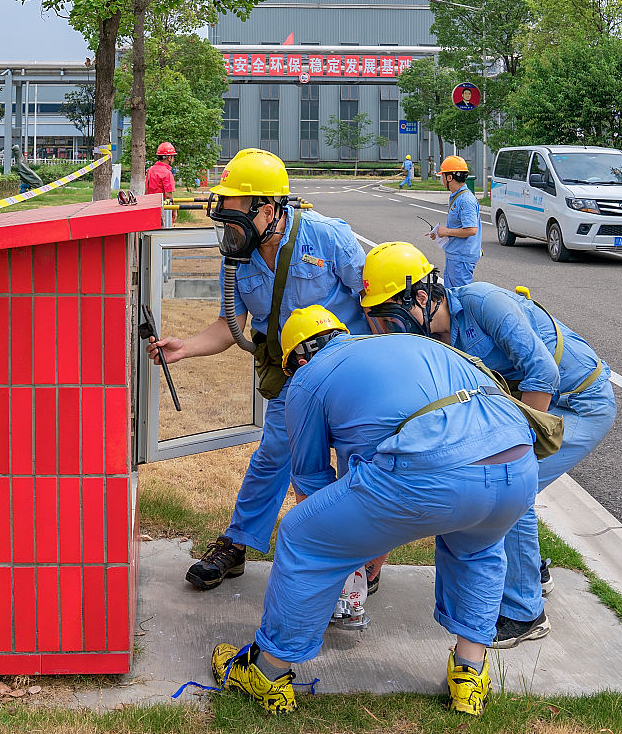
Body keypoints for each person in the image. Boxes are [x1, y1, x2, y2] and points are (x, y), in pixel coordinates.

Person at [210, 305, 538, 717]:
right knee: (477, 550)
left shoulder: (309, 378)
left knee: (302, 534)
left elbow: (313, 485)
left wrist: (344, 564)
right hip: (517, 466)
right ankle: (470, 676)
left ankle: (267, 672)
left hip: (434, 471)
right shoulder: (402, 345)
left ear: (298, 358)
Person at [359, 241, 617, 649]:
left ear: (422, 298)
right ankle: (532, 572)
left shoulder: (483, 302)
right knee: (496, 481)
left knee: (510, 489)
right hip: (541, 403)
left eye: (391, 321)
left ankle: (523, 613)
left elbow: (541, 372)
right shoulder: (438, 343)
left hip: (580, 403)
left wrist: (511, 449)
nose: (391, 333)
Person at [146, 148, 370, 591]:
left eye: (234, 213)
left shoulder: (329, 238)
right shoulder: (241, 255)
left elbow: (376, 303)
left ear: (268, 210)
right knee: (273, 457)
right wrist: (183, 348)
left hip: (349, 375)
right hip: (293, 378)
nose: (228, 226)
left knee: (355, 464)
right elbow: (231, 326)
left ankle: (356, 564)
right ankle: (237, 542)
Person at [428, 155, 481, 287]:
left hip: (461, 258)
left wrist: (446, 231)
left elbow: (471, 230)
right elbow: (460, 226)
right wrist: (439, 232)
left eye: (443, 176)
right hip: (456, 256)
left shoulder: (465, 200)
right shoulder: (457, 197)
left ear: (449, 177)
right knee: (451, 294)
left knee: (459, 296)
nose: (442, 179)